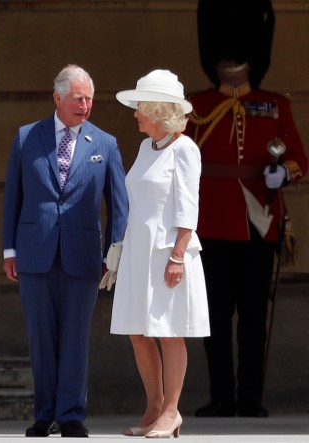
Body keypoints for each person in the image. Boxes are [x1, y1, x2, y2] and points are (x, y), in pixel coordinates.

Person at [187, 0, 308, 418]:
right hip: (211, 225)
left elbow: (298, 158)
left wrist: (282, 175)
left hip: (259, 225)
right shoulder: (196, 106)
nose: (229, 61)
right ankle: (222, 396)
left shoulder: (274, 105)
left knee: (254, 319)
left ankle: (250, 397)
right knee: (215, 319)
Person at [1, 64, 128, 438]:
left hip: (82, 255)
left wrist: (113, 253)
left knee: (75, 337)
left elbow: (118, 205)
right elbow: (13, 198)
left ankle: (71, 414)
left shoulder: (105, 143)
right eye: (78, 98)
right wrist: (10, 250)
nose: (86, 105)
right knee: (41, 338)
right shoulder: (27, 137)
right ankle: (44, 415)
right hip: (35, 252)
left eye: (90, 98)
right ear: (57, 98)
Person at [111, 69, 210, 438]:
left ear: (156, 109)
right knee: (138, 332)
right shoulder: (144, 147)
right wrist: (120, 250)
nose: (135, 112)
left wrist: (179, 255)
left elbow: (188, 207)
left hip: (168, 252)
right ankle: (154, 406)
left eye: (140, 106)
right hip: (139, 250)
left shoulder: (185, 148)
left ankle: (172, 412)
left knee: (169, 332)